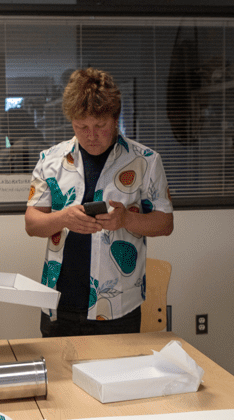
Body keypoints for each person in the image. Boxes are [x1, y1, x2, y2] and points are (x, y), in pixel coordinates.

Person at [25, 67, 173, 336]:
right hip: (58, 303)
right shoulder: (50, 160)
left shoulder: (146, 161)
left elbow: (165, 223)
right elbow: (32, 224)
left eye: (100, 126)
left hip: (117, 307)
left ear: (115, 119)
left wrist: (126, 219)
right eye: (81, 127)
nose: (91, 136)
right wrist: (63, 218)